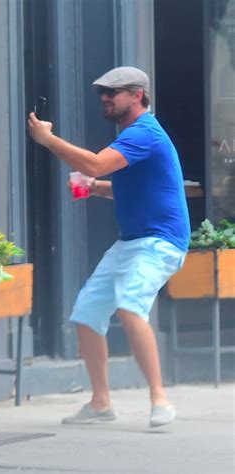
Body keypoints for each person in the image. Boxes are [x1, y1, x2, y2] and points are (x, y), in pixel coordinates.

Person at [28, 66, 190, 427]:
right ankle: (100, 404)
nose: (104, 98)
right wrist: (95, 188)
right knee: (87, 314)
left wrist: (48, 140)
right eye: (101, 92)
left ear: (137, 96)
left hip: (160, 243)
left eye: (113, 92)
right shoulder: (134, 137)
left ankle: (160, 399)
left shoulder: (144, 133)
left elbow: (97, 164)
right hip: (133, 242)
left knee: (130, 306)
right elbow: (128, 185)